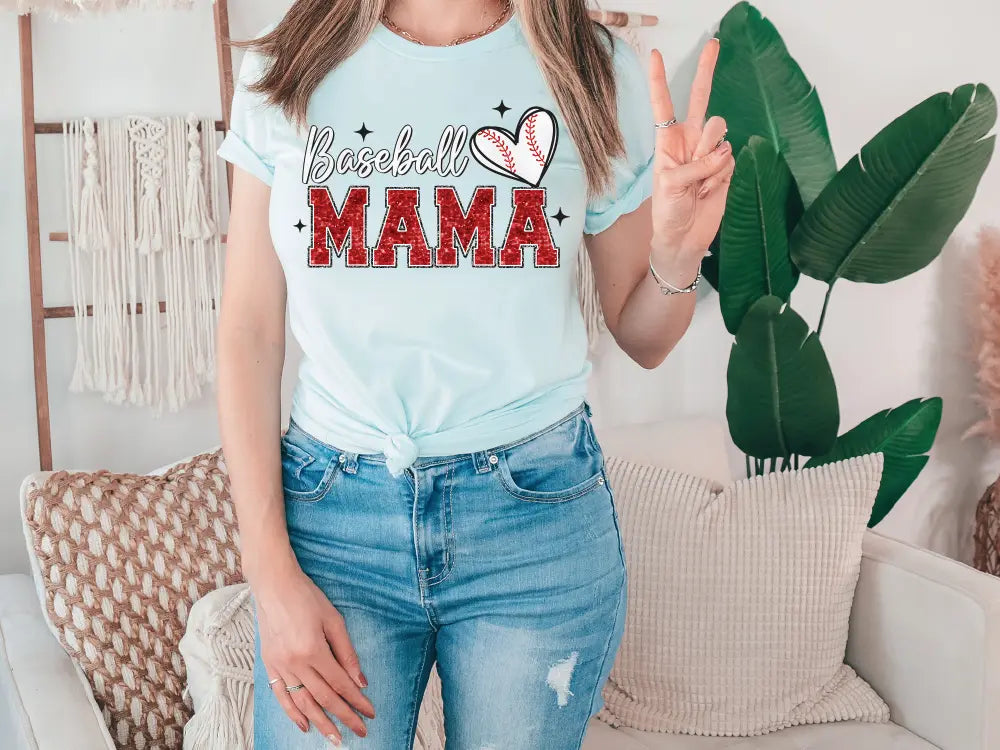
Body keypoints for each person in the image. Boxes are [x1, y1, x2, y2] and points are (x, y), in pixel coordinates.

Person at [215, 0, 733, 747]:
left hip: (534, 523)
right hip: (334, 527)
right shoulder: (286, 63)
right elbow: (247, 331)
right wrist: (269, 575)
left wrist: (680, 255)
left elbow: (643, 335)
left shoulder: (590, 67)